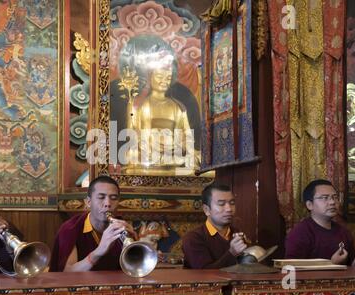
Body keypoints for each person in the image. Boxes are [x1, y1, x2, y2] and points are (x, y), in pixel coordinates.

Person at [110, 35, 201, 175]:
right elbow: (136, 136)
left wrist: (181, 148)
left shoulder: (178, 106)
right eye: (159, 77)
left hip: (173, 154)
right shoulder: (139, 105)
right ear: (149, 75)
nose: (164, 81)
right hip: (148, 154)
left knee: (196, 159)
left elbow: (186, 137)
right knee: (132, 157)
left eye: (168, 78)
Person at [49, 176, 136, 271]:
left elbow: (135, 270)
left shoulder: (122, 228)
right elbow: (68, 272)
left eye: (113, 198)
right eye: (101, 197)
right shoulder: (71, 228)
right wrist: (99, 251)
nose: (107, 203)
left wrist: (132, 249)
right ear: (88, 202)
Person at [285, 179, 355, 266]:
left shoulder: (344, 232)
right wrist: (331, 264)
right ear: (309, 205)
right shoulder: (299, 233)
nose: (332, 202)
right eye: (324, 198)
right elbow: (291, 271)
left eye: (335, 197)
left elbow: (351, 263)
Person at [182, 183, 248, 269]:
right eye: (221, 204)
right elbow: (205, 274)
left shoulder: (237, 233)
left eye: (232, 203)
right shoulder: (193, 238)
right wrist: (232, 253)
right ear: (206, 210)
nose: (229, 209)